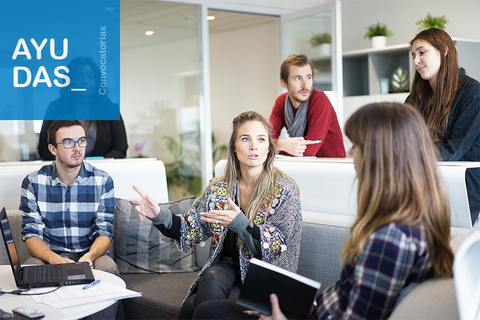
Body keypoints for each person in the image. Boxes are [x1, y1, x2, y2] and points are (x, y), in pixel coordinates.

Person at [194, 103, 454, 320]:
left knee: (209, 313)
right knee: (207, 308)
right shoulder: (409, 222)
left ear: (380, 157)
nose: (351, 154)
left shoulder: (390, 239)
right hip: (315, 310)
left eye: (357, 146)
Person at [127, 111, 302, 319]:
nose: (254, 146)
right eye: (245, 139)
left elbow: (275, 245)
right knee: (211, 277)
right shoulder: (219, 188)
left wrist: (240, 223)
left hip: (265, 275)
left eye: (261, 139)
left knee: (194, 307)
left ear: (269, 149)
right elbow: (189, 229)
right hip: (227, 267)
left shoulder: (284, 189)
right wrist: (157, 214)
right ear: (234, 148)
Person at [20, 120, 119, 276]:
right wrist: (54, 259)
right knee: (28, 271)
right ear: (53, 149)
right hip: (49, 256)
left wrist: (89, 257)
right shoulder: (33, 182)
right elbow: (31, 234)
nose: (77, 148)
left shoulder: (103, 181)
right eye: (68, 142)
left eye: (81, 141)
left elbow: (104, 231)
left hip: (90, 255)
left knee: (108, 269)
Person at [407, 27, 480, 225]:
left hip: (464, 192)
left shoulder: (473, 93)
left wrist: (405, 153)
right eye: (414, 55)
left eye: (422, 52)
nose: (416, 61)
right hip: (424, 186)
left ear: (444, 51)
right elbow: (400, 138)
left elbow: (453, 150)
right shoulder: (415, 98)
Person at [37, 57, 128, 160]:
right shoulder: (55, 108)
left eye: (90, 77)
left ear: (97, 81)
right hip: (65, 172)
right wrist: (71, 163)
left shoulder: (110, 109)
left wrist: (93, 164)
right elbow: (44, 149)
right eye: (78, 77)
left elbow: (120, 149)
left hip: (102, 171)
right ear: (69, 80)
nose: (85, 81)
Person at [269, 54, 345, 158]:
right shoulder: (281, 102)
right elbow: (265, 140)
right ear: (284, 83)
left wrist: (276, 147)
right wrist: (281, 144)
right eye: (297, 78)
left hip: (331, 167)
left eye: (308, 77)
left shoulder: (320, 100)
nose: (305, 85)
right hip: (303, 166)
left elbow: (309, 150)